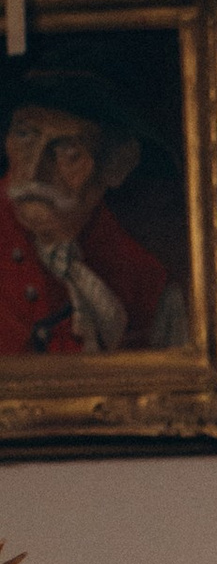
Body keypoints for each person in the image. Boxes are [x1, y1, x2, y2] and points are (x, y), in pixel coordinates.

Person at [0, 66, 184, 355]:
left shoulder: (151, 289)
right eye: (25, 136)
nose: (35, 170)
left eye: (67, 149)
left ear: (117, 165)